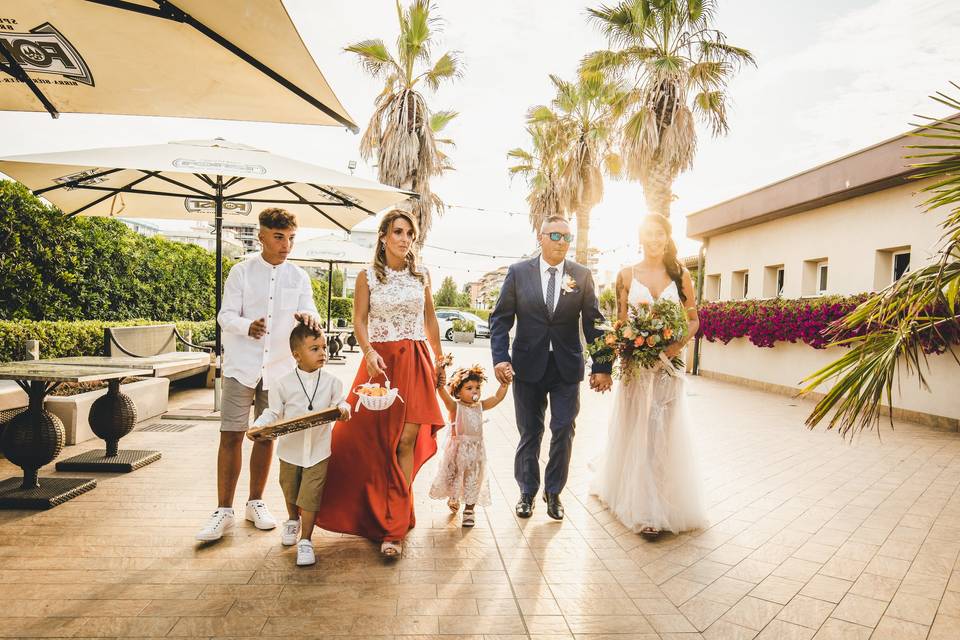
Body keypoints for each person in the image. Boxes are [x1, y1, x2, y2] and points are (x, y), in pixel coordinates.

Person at [315, 209, 445, 557]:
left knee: (406, 440)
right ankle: (357, 509)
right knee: (363, 441)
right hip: (381, 366)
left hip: (416, 362)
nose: (405, 239)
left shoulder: (423, 275)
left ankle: (395, 528)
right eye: (398, 232)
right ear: (384, 237)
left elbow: (430, 320)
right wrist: (369, 351)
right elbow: (359, 320)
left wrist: (439, 357)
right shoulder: (368, 277)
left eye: (410, 234)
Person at [196, 208, 321, 542]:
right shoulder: (241, 271)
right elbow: (225, 316)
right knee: (232, 435)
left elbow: (311, 311)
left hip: (279, 369)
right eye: (279, 237)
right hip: (241, 366)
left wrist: (309, 318)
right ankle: (223, 510)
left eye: (291, 238)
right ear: (262, 235)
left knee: (266, 436)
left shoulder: (299, 277)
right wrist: (245, 325)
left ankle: (256, 503)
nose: (286, 245)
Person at [590, 214, 708, 538]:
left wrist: (674, 347)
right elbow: (619, 324)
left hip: (667, 368)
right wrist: (613, 360)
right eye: (649, 234)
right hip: (636, 369)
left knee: (660, 435)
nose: (654, 239)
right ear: (640, 237)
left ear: (668, 238)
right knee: (636, 428)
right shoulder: (626, 275)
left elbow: (694, 321)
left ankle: (661, 503)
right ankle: (641, 507)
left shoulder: (681, 275)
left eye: (661, 234)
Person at [489, 215, 612, 521]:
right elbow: (500, 319)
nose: (561, 242)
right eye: (555, 236)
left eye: (566, 237)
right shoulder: (518, 273)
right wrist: (500, 357)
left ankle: (554, 492)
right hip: (527, 367)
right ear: (540, 238)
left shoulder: (581, 275)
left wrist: (603, 364)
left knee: (563, 430)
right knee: (530, 432)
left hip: (566, 368)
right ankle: (527, 492)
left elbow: (594, 322)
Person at [249, 322, 351, 565]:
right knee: (290, 489)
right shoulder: (282, 384)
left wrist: (344, 409)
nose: (322, 353)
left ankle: (306, 540)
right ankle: (292, 520)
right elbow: (273, 413)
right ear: (297, 355)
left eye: (324, 348)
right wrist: (258, 427)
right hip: (290, 451)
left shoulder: (332, 382)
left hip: (319, 451)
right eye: (314, 349)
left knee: (311, 495)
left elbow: (341, 402)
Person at [429, 365, 509, 527]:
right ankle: (454, 497)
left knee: (472, 479)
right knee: (455, 477)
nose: (475, 392)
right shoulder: (454, 407)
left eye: (477, 388)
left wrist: (504, 385)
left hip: (476, 453)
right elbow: (443, 395)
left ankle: (469, 510)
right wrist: (440, 384)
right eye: (469, 388)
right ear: (458, 392)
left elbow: (497, 398)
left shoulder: (481, 406)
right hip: (457, 452)